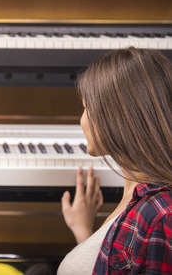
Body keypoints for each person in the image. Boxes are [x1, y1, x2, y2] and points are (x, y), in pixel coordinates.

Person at [57, 47, 171, 274]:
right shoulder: (138, 196)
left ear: (114, 116)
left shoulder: (162, 215)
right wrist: (85, 234)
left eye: (85, 107)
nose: (82, 120)